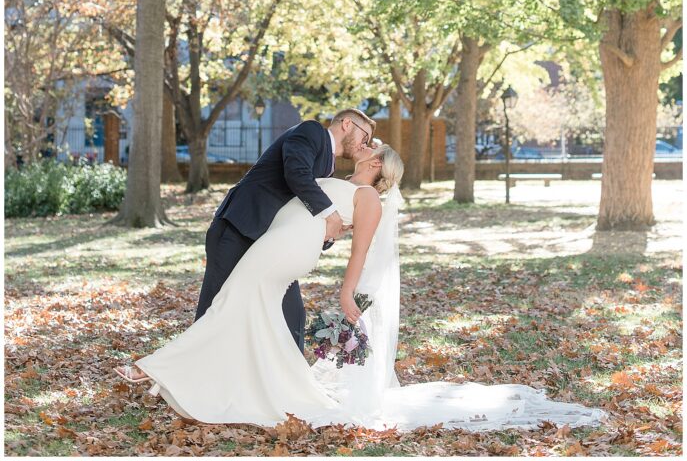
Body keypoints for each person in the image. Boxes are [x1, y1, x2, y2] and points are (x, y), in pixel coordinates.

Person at [114, 144, 606, 433]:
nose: (365, 144)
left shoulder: (369, 197)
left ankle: (167, 370)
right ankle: (256, 384)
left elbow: (359, 251)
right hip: (280, 242)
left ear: (378, 165)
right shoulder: (333, 179)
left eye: (372, 146)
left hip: (287, 252)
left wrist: (348, 295)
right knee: (243, 309)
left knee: (233, 303)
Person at [194, 109, 375, 350]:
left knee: (292, 318)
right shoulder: (311, 131)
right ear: (347, 124)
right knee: (213, 310)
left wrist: (330, 234)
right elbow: (296, 173)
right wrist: (329, 213)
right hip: (238, 228)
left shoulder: (327, 168)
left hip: (268, 246)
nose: (366, 144)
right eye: (365, 136)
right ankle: (174, 379)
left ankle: (285, 386)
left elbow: (302, 213)